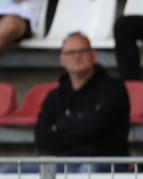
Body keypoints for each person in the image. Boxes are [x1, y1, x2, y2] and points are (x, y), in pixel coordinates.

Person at [34, 32, 130, 165]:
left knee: (86, 173)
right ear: (62, 59)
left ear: (93, 55)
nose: (77, 56)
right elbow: (42, 139)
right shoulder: (54, 96)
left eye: (82, 51)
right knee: (7, 173)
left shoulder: (113, 89)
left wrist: (63, 125)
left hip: (102, 164)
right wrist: (84, 129)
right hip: (60, 164)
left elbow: (99, 129)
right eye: (70, 52)